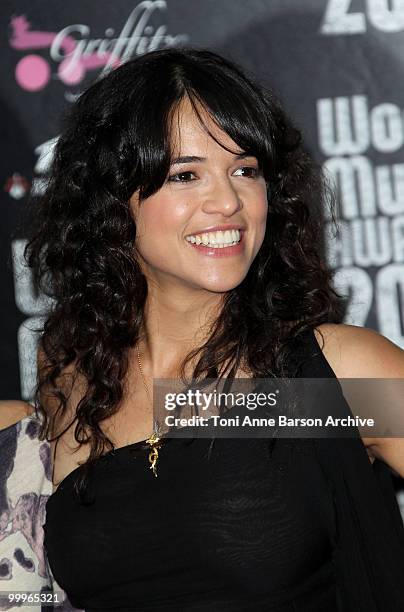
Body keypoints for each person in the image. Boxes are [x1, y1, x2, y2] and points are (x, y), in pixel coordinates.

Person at [15, 46, 404, 610]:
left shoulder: (326, 380)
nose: (227, 201)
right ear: (113, 203)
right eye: (184, 175)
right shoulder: (73, 378)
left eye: (245, 170)